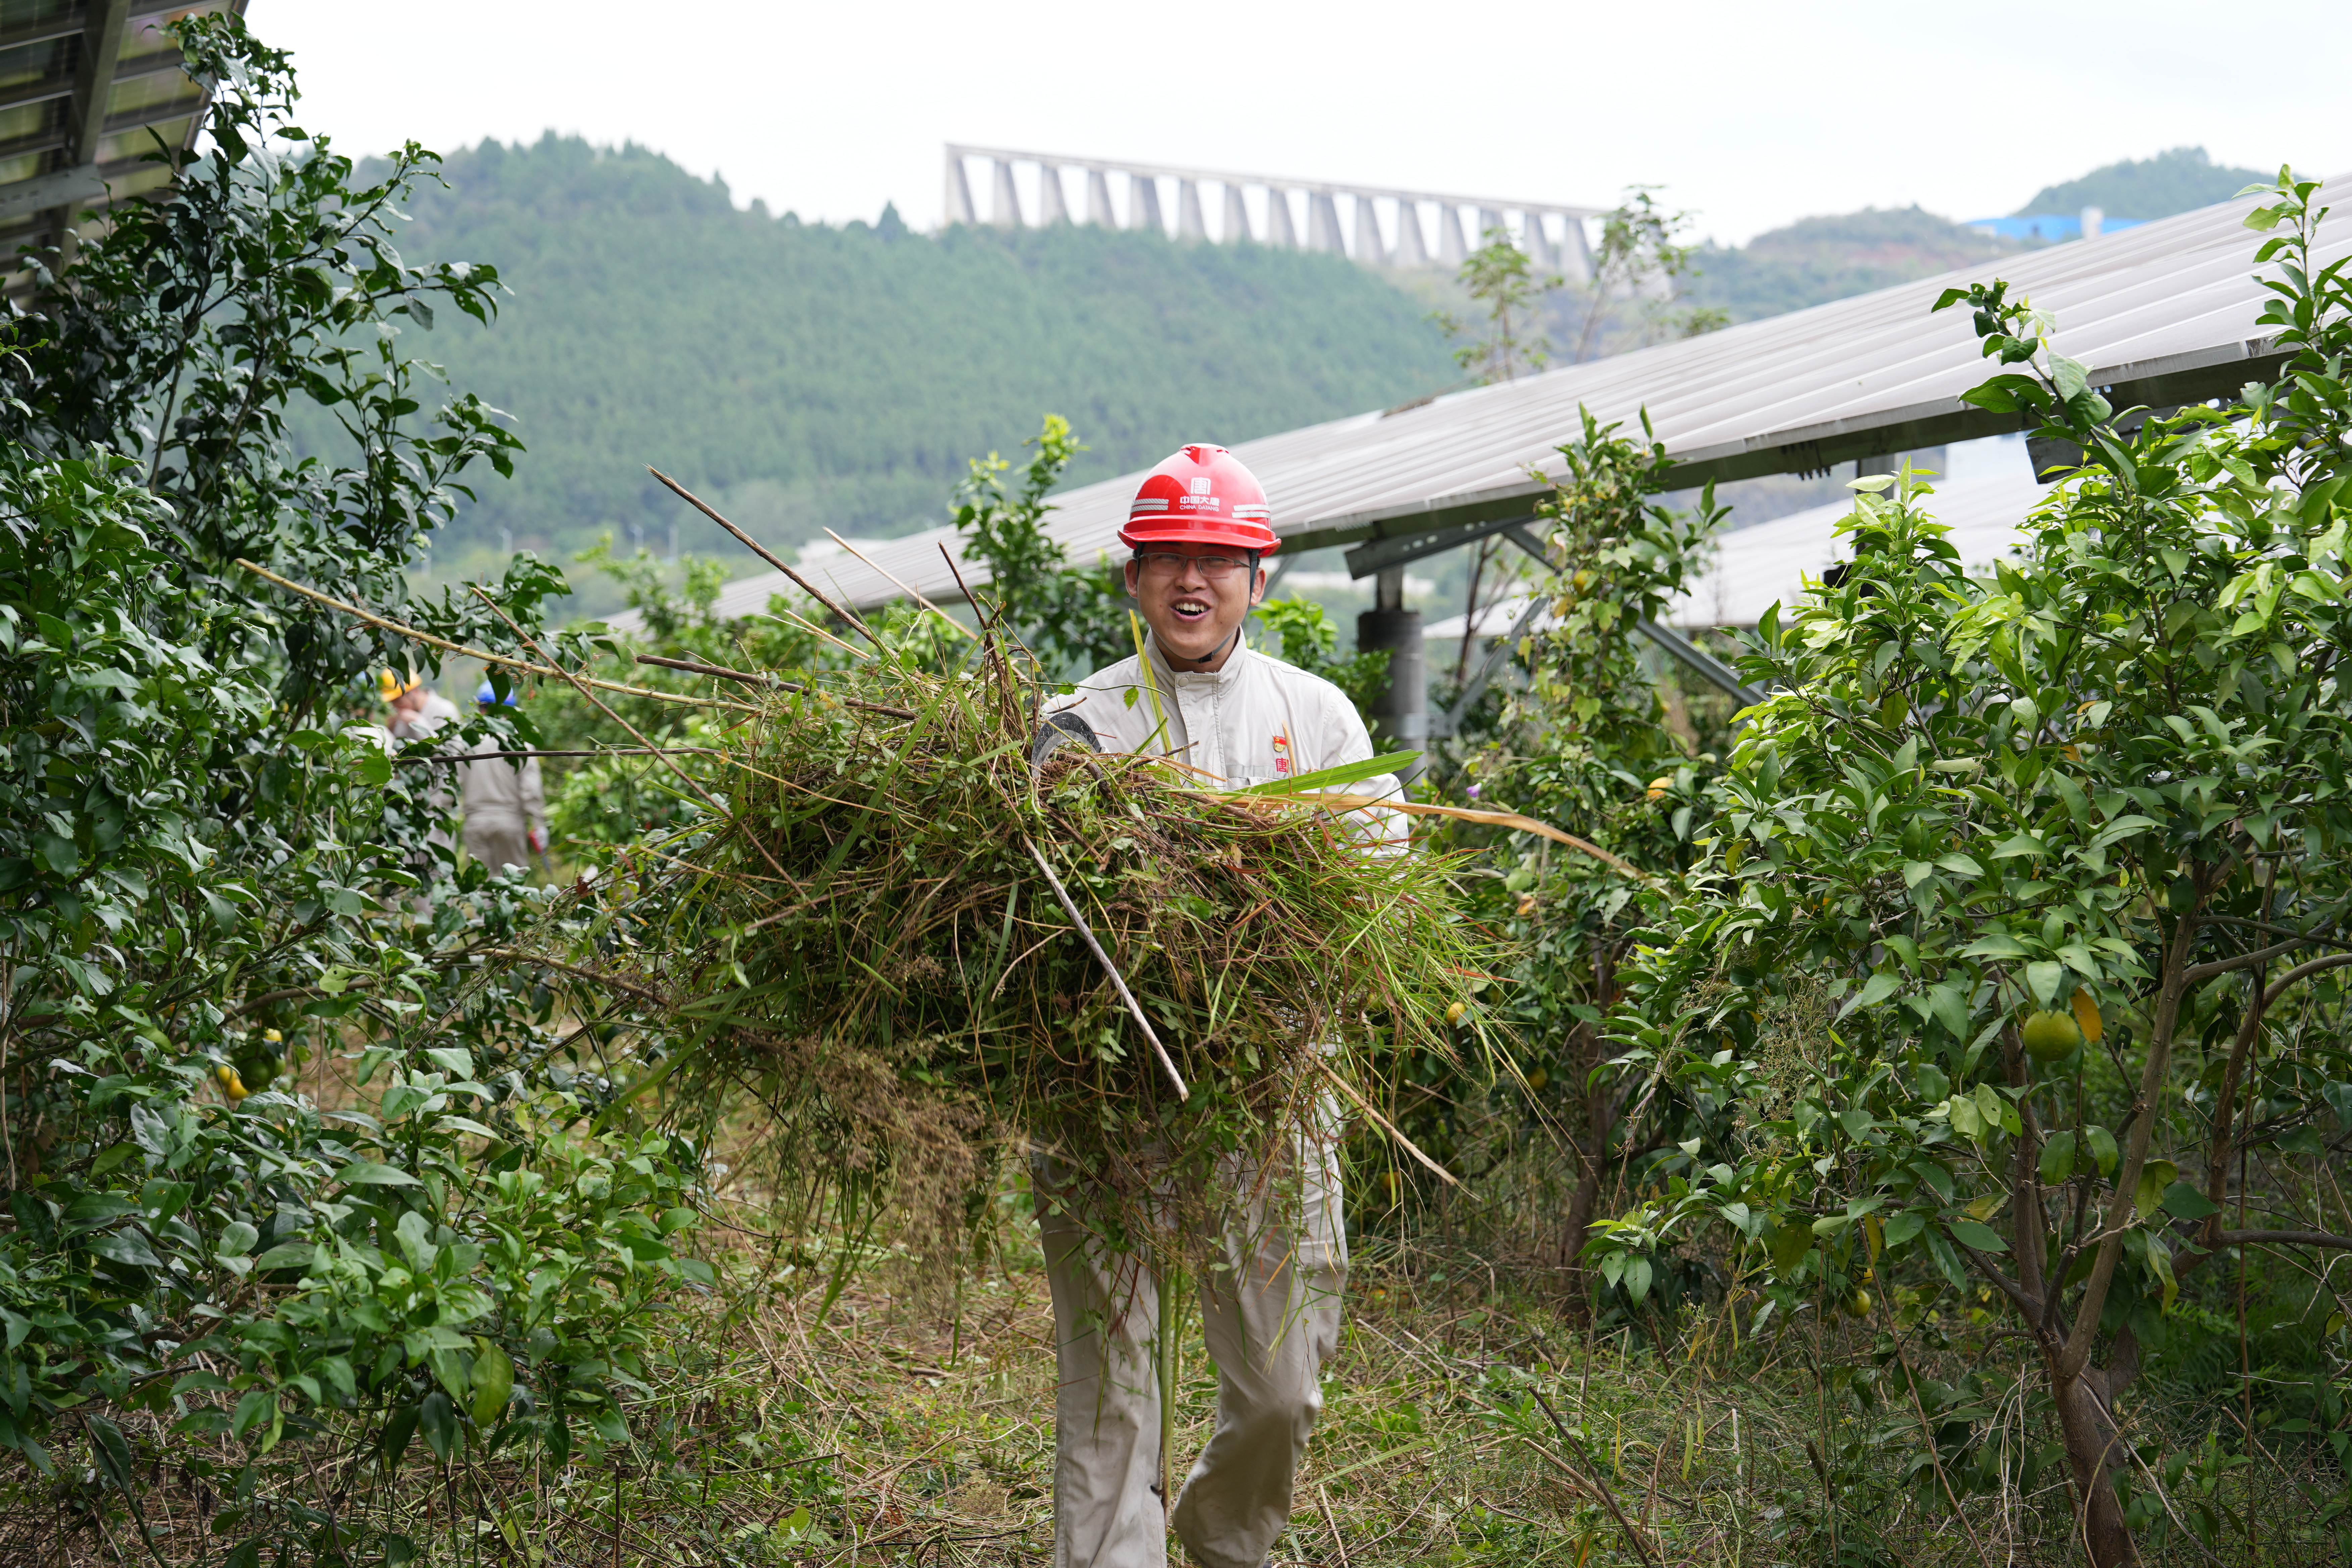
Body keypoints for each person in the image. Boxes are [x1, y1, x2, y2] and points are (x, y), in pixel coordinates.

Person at [1036, 444, 1402, 1568]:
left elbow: (1377, 872)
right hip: (1104, 1090)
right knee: (1110, 1371)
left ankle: (1223, 1535)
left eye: (1217, 561)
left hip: (1271, 1088)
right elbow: (1041, 909)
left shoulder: (1317, 717)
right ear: (1132, 579)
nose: (1190, 582)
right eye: (1166, 561)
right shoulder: (1078, 725)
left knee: (1281, 1384)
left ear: (1258, 578)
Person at [459, 681, 548, 878]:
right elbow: (531, 789)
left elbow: (453, 783)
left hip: (475, 823)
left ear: (481, 708)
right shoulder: (520, 743)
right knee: (512, 884)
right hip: (510, 822)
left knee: (482, 886)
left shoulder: (465, 741)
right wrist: (539, 824)